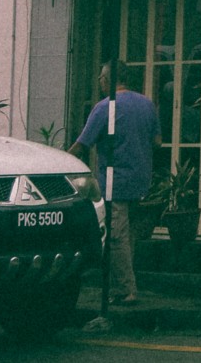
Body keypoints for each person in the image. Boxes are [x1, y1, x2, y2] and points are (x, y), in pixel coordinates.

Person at [71, 65, 160, 305]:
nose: (99, 81)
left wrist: (63, 161)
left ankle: (126, 289)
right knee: (129, 236)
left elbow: (82, 144)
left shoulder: (104, 107)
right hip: (141, 179)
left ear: (108, 79)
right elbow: (157, 141)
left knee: (116, 237)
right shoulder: (147, 104)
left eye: (101, 77)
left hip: (115, 182)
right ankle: (121, 285)